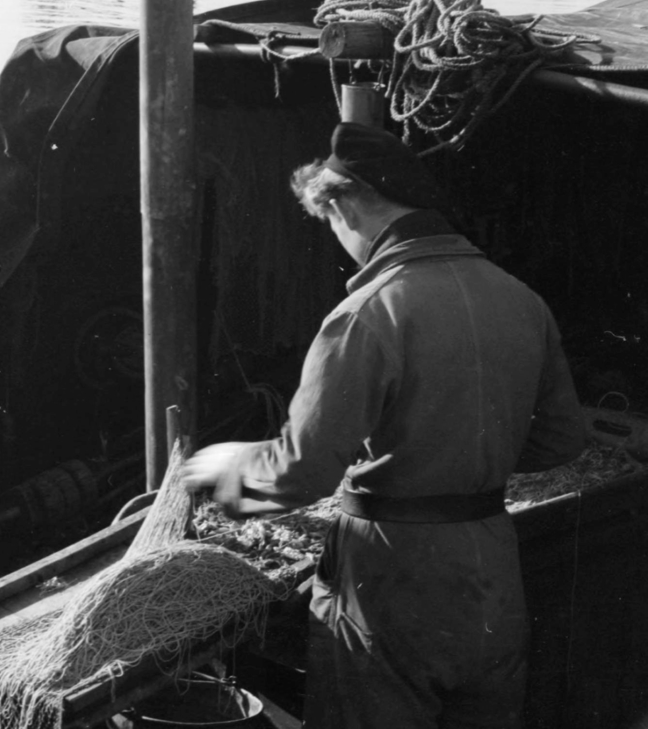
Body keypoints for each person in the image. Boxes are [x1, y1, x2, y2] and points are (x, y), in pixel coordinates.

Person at [182, 121, 586, 729]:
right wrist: (459, 455)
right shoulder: (520, 300)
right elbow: (563, 438)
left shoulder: (366, 315)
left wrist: (220, 467)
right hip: (492, 575)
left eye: (328, 222)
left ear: (340, 200)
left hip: (391, 585)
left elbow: (301, 469)